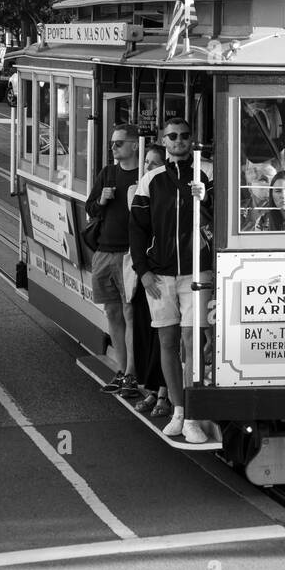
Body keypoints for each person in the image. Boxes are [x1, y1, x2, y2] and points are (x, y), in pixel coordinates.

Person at [129, 118, 213, 444]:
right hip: (160, 276)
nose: (179, 141)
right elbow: (137, 229)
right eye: (173, 136)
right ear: (164, 141)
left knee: (192, 342)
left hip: (196, 271)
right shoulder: (150, 180)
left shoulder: (204, 174)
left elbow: (218, 218)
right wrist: (143, 270)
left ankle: (192, 414)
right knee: (167, 342)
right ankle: (178, 410)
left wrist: (204, 198)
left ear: (192, 140)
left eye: (185, 136)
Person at [85, 124, 141, 399]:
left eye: (118, 143)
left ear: (134, 145)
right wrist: (102, 200)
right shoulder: (108, 173)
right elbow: (89, 207)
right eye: (112, 144)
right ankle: (121, 370)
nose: (113, 148)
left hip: (129, 254)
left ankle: (131, 373)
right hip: (104, 252)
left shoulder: (143, 176)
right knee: (112, 313)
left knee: (130, 313)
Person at [125, 144, 171, 418]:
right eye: (146, 163)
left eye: (154, 163)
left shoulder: (168, 191)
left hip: (166, 274)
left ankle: (163, 392)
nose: (148, 168)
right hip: (146, 274)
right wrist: (142, 272)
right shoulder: (139, 190)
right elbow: (137, 232)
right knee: (151, 333)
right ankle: (152, 388)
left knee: (167, 336)